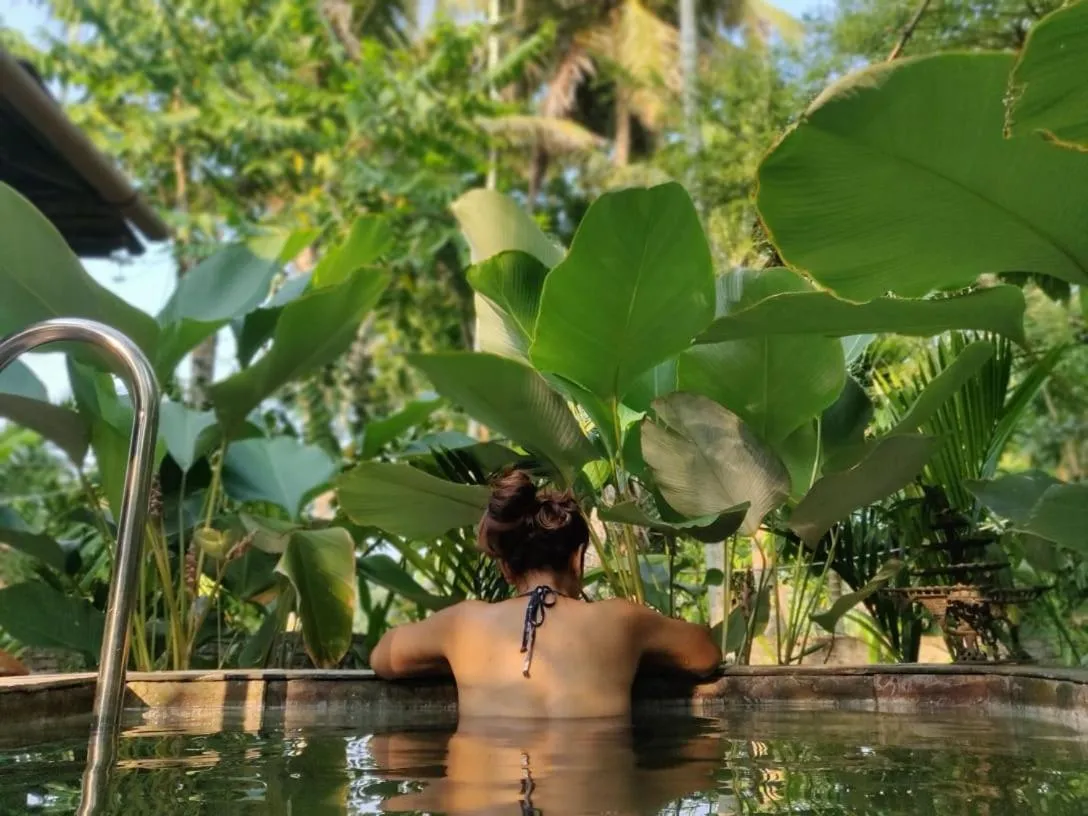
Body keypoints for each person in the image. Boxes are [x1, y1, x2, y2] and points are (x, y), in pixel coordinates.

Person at [370, 469, 722, 719]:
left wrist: (453, 658)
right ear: (577, 559)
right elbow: (705, 654)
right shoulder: (621, 620)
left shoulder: (463, 625)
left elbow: (383, 658)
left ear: (506, 569)